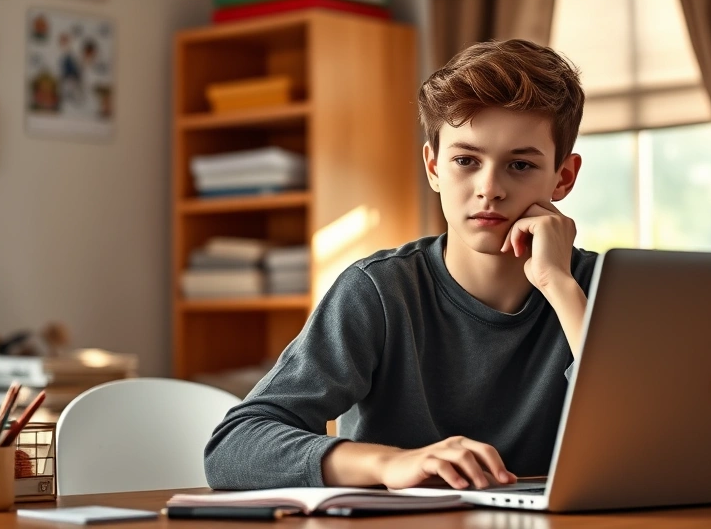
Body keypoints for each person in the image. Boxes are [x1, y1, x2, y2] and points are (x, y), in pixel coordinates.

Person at [204, 38, 595, 491]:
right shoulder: (379, 291)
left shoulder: (600, 289)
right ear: (433, 167)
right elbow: (234, 448)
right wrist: (391, 465)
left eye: (520, 165)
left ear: (563, 177)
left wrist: (558, 285)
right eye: (466, 160)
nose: (489, 188)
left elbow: (659, 441)